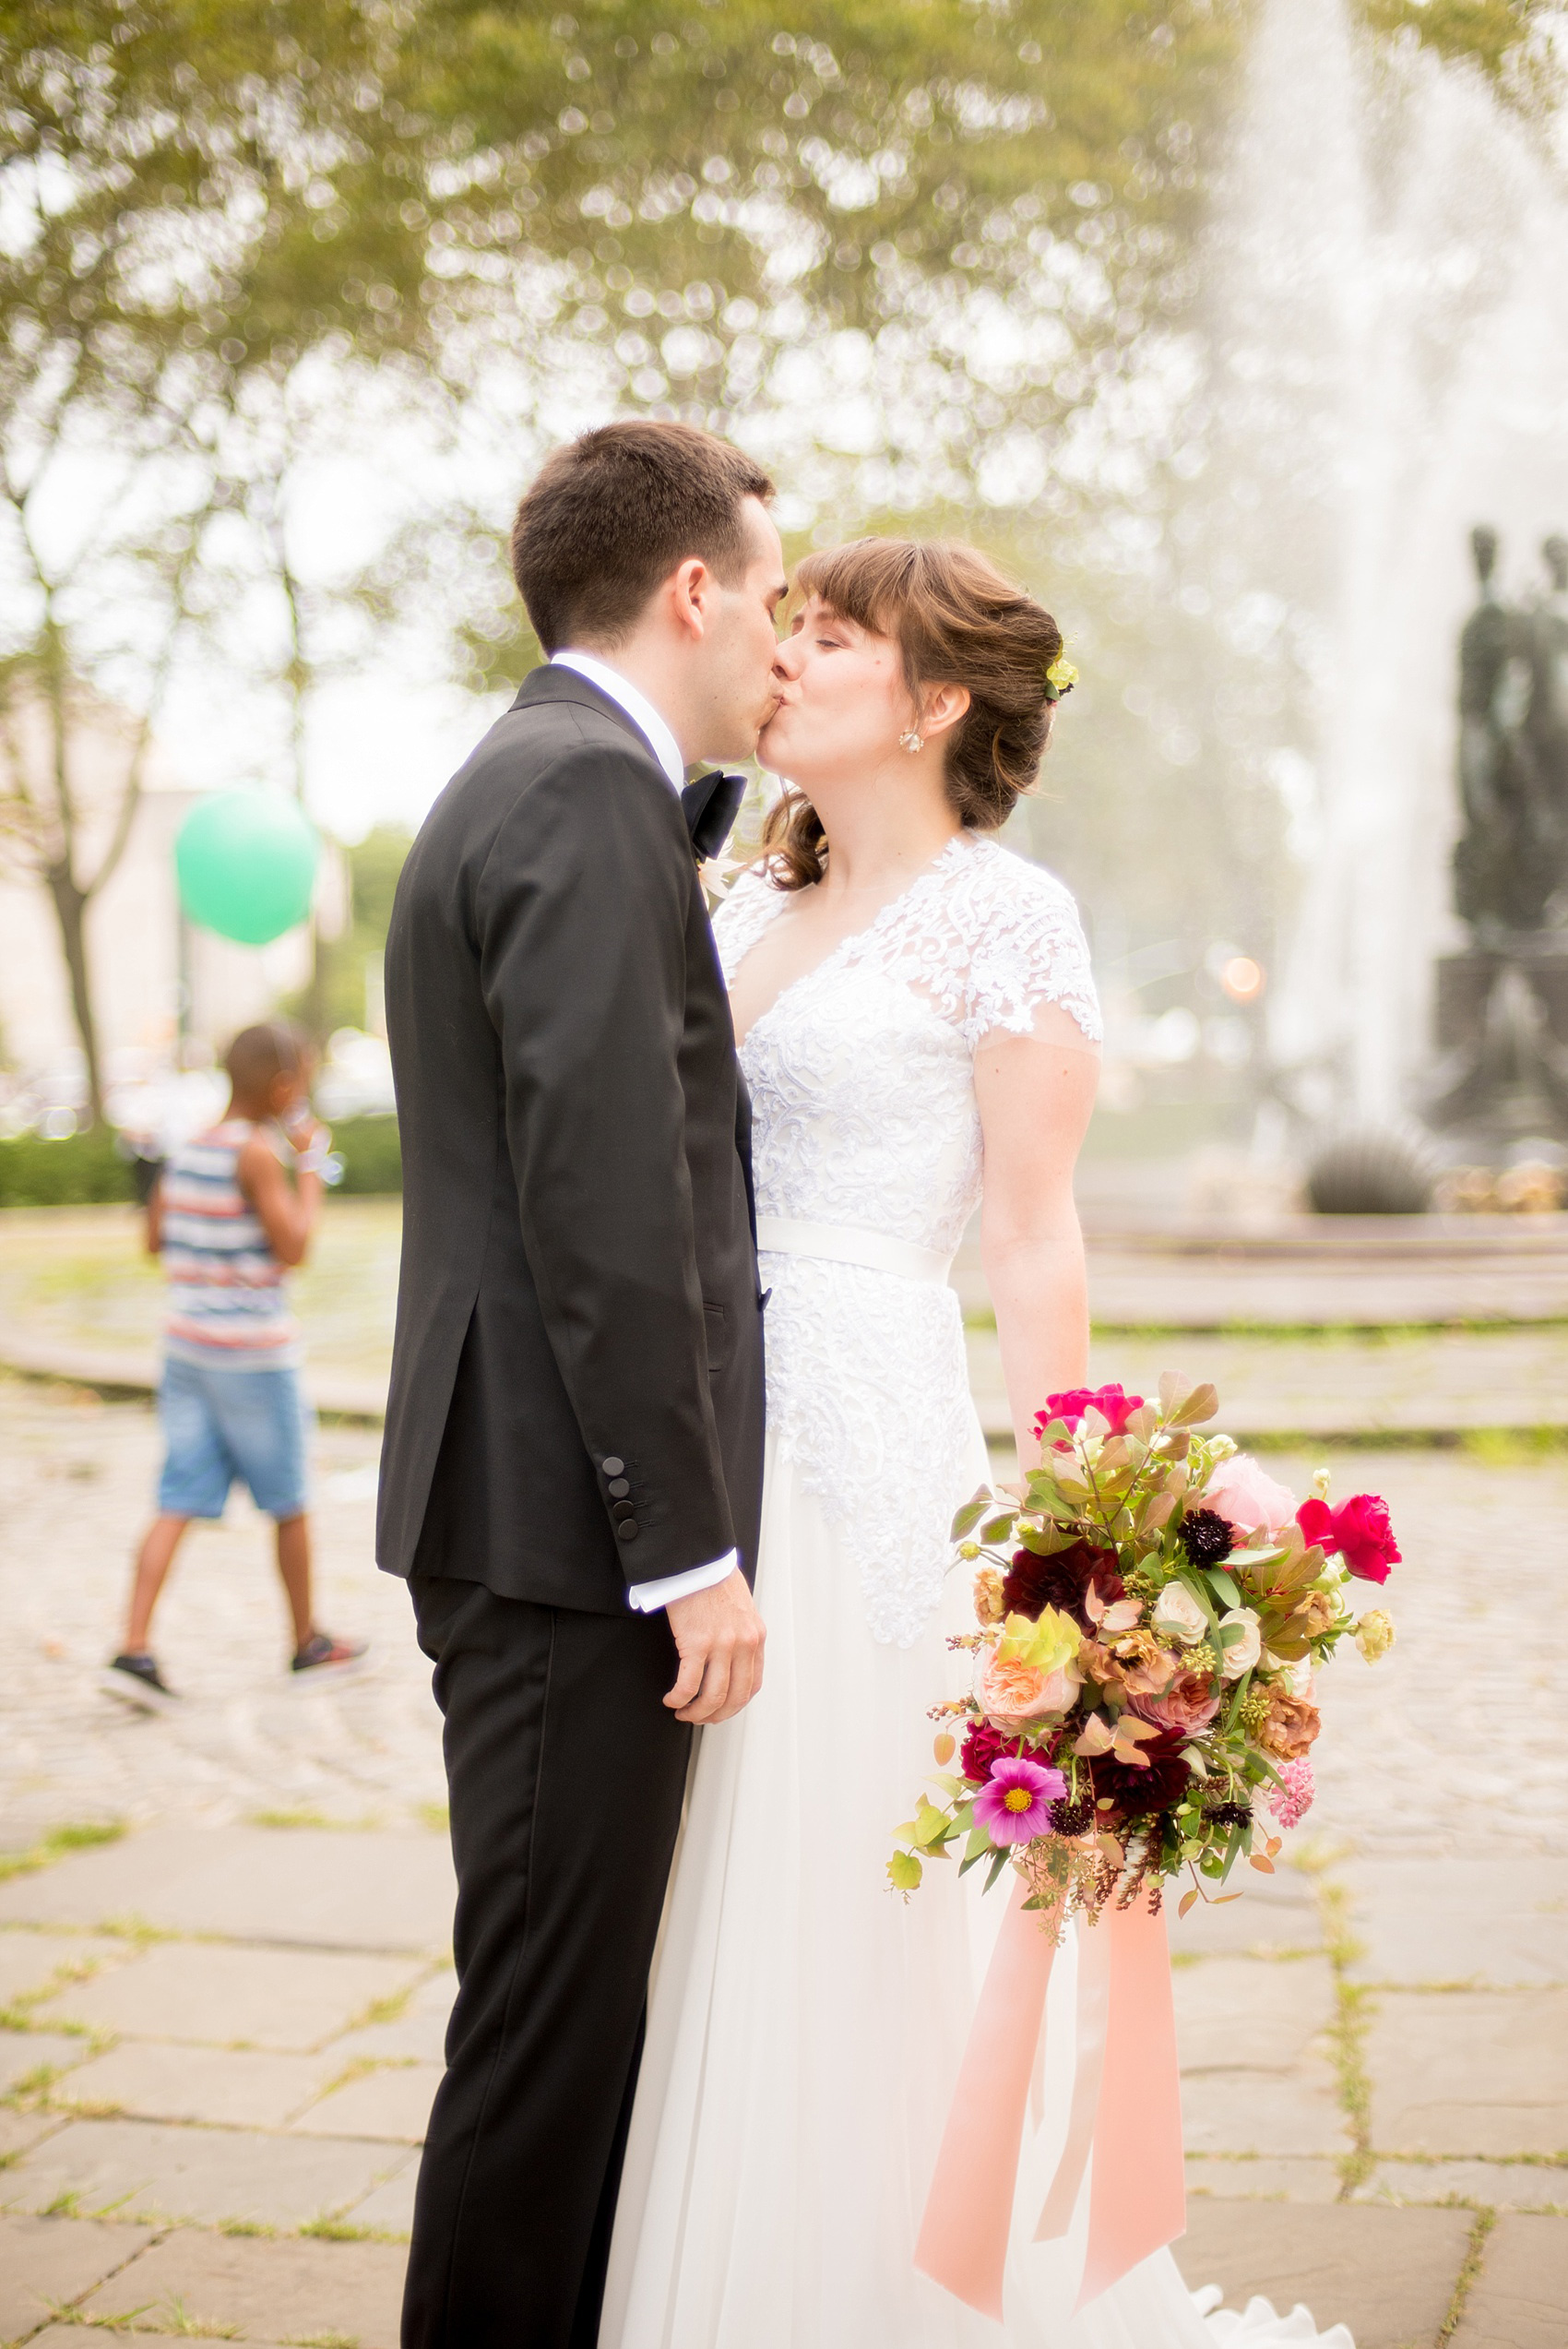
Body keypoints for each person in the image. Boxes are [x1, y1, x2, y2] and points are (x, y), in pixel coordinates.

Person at [600, 539, 1352, 2349]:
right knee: (706, 1866)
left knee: (859, 1850)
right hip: (715, 1418)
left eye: (831, 635)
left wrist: (1075, 1513)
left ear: (937, 701)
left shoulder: (1007, 917)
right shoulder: (724, 903)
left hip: (875, 1424)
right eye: (788, 626)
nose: (785, 658)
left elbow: (1033, 1230)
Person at [378, 421, 785, 2349]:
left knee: (565, 2025)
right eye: (771, 593)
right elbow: (605, 1200)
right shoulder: (571, 796)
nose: (780, 634)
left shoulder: (556, 776)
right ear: (691, 588)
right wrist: (684, 1543)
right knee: (543, 2048)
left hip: (537, 1513)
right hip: (561, 1536)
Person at [103, 1019, 365, 1711]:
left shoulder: (190, 1145)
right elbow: (295, 1248)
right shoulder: (256, 1153)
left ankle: (134, 1647)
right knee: (291, 1500)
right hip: (251, 1359)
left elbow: (156, 1238)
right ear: (284, 1087)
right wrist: (308, 1168)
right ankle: (307, 1641)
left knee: (177, 1496)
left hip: (186, 1349)